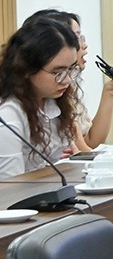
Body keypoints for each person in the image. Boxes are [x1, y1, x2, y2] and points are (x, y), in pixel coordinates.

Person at [23, 8, 113, 150]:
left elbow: (89, 142)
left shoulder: (63, 85)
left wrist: (109, 94)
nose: (84, 45)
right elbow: (83, 151)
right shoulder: (48, 89)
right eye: (77, 38)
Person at [0, 18, 84, 178]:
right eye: (57, 72)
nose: (67, 80)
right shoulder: (7, 115)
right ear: (26, 68)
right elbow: (9, 189)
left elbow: (63, 160)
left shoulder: (52, 100)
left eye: (71, 69)